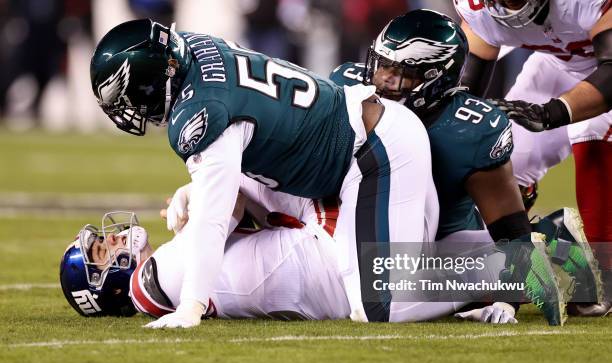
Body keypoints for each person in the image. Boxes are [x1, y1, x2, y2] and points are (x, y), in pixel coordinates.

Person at [89, 19, 437, 327]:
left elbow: (214, 218)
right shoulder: (194, 46)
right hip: (345, 149)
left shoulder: (200, 112)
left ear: (150, 80)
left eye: (125, 96)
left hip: (378, 151)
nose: (128, 108)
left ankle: (487, 273)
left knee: (381, 305)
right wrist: (195, 188)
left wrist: (191, 304)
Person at [328, 9, 602, 325]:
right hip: (371, 220)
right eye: (381, 65)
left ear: (434, 78)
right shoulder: (346, 86)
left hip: (445, 237)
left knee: (386, 296)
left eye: (400, 71)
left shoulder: (468, 130)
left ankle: (553, 244)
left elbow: (510, 229)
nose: (383, 80)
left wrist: (508, 296)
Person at [60, 207, 520, 325]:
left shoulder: (164, 277)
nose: (115, 239)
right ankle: (546, 250)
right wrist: (197, 197)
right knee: (512, 264)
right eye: (104, 252)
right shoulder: (150, 282)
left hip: (309, 271)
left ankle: (517, 257)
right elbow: (231, 206)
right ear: (111, 288)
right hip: (318, 265)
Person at [455, 0, 612, 315]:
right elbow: (463, 85)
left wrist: (552, 112)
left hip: (605, 70)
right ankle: (518, 263)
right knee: (501, 154)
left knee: (592, 131)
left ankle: (605, 275)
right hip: (559, 64)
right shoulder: (478, 9)